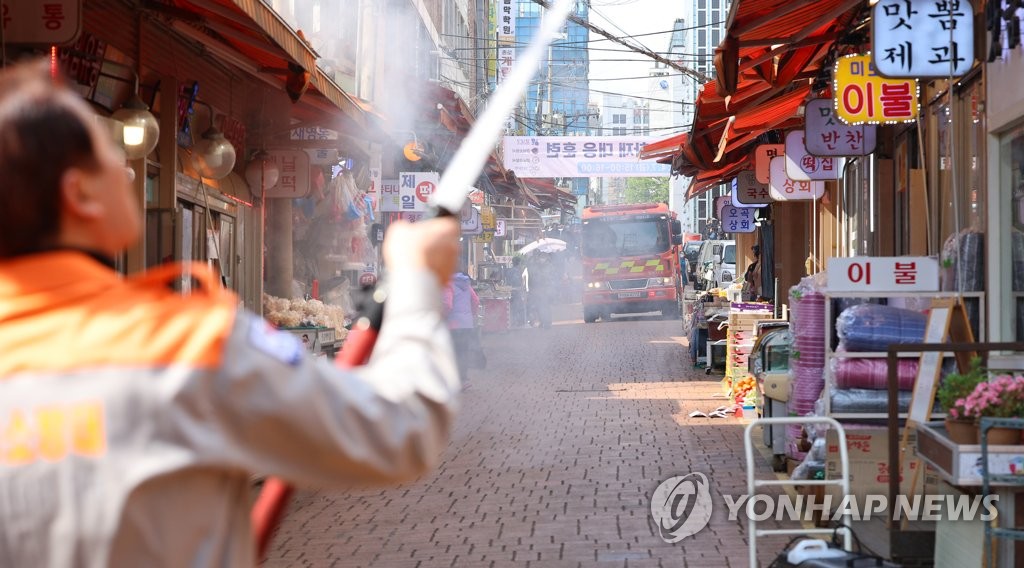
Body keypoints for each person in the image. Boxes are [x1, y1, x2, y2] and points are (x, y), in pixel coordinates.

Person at [0, 62, 461, 567]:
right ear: (78, 194)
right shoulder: (189, 344)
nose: (129, 167)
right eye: (109, 152)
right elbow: (400, 430)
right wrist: (416, 281)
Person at [443, 271, 482, 383]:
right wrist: (471, 315)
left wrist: (443, 316)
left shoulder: (448, 285)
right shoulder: (466, 285)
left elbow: (447, 305)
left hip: (453, 324)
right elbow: (476, 300)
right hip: (467, 324)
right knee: (463, 351)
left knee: (453, 352)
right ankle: (463, 379)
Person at [525, 254, 554, 329]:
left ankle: (547, 322)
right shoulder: (536, 266)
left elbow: (550, 278)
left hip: (546, 290)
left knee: (545, 307)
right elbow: (532, 277)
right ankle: (542, 321)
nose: (541, 260)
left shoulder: (549, 266)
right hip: (537, 289)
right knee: (538, 307)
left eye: (543, 258)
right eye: (540, 258)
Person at [504, 256, 527, 327]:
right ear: (519, 263)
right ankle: (517, 322)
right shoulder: (516, 271)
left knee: (512, 307)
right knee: (517, 307)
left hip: (509, 291)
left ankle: (513, 322)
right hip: (516, 291)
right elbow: (517, 282)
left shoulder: (510, 270)